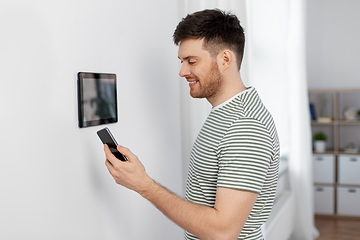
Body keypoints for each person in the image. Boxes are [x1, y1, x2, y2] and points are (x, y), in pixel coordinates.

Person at [104, 9, 280, 240]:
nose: (182, 71)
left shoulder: (245, 126)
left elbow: (223, 231)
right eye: (182, 61)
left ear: (225, 59)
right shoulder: (226, 114)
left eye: (192, 61)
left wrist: (143, 184)